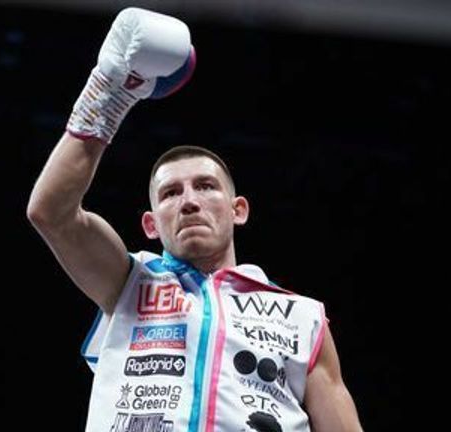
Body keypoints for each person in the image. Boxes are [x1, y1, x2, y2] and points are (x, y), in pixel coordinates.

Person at [27, 7, 362, 432]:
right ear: (151, 224)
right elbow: (51, 212)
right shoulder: (128, 283)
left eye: (205, 186)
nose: (188, 201)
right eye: (171, 193)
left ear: (238, 209)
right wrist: (108, 93)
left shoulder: (302, 317)